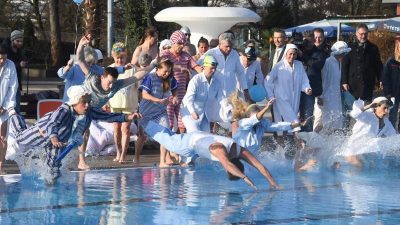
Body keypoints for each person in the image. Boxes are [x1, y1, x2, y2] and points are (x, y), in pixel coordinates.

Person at [8, 86, 140, 182]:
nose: (87, 105)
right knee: (20, 136)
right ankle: (12, 112)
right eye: (84, 102)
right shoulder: (63, 110)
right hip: (42, 132)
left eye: (88, 102)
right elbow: (52, 124)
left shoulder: (87, 111)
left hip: (56, 142)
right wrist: (53, 137)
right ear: (75, 102)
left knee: (53, 170)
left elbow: (106, 116)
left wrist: (127, 117)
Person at [75, 35, 153, 170]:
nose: (111, 86)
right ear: (102, 76)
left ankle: (83, 160)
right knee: (83, 131)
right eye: (109, 82)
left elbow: (136, 77)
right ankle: (80, 160)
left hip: (95, 110)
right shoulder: (92, 76)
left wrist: (153, 65)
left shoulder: (116, 84)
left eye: (113, 83)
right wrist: (81, 45)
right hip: (81, 106)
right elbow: (80, 60)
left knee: (93, 130)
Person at [145, 121, 280, 190]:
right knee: (169, 142)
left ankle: (176, 152)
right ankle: (145, 124)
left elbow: (258, 165)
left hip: (201, 141)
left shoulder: (240, 150)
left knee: (182, 149)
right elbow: (227, 164)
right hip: (189, 143)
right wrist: (245, 178)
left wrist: (273, 183)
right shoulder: (220, 150)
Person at [134, 59, 179, 167]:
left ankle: (162, 161)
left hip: (160, 112)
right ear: (157, 69)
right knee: (142, 137)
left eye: (169, 71)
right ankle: (136, 157)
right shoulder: (150, 77)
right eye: (165, 71)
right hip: (146, 112)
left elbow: (175, 90)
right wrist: (158, 100)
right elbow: (144, 95)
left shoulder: (170, 79)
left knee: (166, 132)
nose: (167, 74)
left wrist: (175, 98)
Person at [160, 30, 202, 133]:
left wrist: (208, 72)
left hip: (182, 95)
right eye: (179, 43)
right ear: (172, 43)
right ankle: (168, 147)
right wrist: (179, 67)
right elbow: (163, 65)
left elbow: (197, 67)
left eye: (183, 44)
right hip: (168, 94)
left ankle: (179, 146)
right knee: (169, 123)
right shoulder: (165, 53)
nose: (181, 46)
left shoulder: (186, 55)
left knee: (183, 123)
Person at [265, 44, 312, 133]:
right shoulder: (279, 66)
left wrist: (307, 88)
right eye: (290, 54)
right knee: (291, 120)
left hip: (294, 97)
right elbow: (267, 81)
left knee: (289, 120)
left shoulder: (299, 65)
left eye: (294, 54)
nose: (292, 56)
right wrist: (270, 95)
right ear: (286, 54)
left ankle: (289, 142)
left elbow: (304, 79)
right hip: (280, 97)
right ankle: (299, 139)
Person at [108, 42, 141, 163]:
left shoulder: (132, 69)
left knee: (125, 129)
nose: (120, 60)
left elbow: (139, 86)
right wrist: (106, 103)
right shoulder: (110, 69)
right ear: (113, 56)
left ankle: (123, 155)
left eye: (122, 57)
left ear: (126, 56)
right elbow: (106, 87)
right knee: (116, 130)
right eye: (118, 58)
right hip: (115, 104)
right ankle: (118, 151)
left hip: (130, 104)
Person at [339, 97, 396, 168]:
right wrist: (369, 106)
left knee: (374, 167)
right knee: (359, 166)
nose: (387, 111)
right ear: (376, 107)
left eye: (388, 109)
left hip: (365, 151)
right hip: (352, 149)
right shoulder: (367, 115)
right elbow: (354, 114)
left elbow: (394, 137)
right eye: (384, 108)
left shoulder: (386, 122)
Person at [313, 41, 350, 133]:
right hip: (325, 96)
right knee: (321, 121)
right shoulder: (327, 62)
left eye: (344, 53)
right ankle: (315, 141)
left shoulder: (339, 63)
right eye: (342, 52)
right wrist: (319, 96)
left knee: (335, 121)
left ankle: (330, 143)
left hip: (335, 96)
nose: (343, 54)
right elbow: (322, 80)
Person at [341, 23, 383, 102]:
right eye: (361, 34)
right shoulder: (349, 47)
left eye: (365, 34)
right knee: (352, 111)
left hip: (367, 83)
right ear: (356, 34)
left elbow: (378, 65)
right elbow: (344, 66)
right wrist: (344, 82)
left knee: (366, 110)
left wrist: (381, 79)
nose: (363, 36)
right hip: (352, 85)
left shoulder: (373, 48)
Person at [299, 28, 330, 132]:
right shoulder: (298, 50)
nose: (306, 43)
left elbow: (317, 65)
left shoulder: (319, 53)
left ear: (313, 40)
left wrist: (303, 55)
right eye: (305, 40)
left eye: (309, 41)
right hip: (296, 87)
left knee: (307, 115)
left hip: (310, 89)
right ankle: (297, 138)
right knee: (295, 115)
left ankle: (306, 138)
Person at [180, 55, 222, 132]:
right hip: (189, 113)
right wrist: (193, 112)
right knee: (195, 135)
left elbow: (221, 99)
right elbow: (188, 100)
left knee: (206, 138)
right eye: (211, 68)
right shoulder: (196, 80)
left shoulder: (217, 82)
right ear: (204, 67)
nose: (213, 70)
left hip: (204, 115)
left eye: (214, 68)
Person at [0, 46, 18, 174]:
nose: (2, 61)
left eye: (4, 58)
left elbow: (13, 87)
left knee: (2, 138)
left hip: (3, 109)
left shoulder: (10, 65)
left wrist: (6, 107)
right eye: (0, 58)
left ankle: (0, 166)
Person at [1, 30, 27, 114]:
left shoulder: (20, 50)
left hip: (16, 83)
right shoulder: (4, 49)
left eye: (21, 41)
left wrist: (23, 63)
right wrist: (19, 64)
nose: (20, 43)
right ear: (12, 40)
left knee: (16, 109)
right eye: (18, 41)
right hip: (5, 83)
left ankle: (15, 125)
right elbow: (6, 65)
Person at [382, 36, 400, 130]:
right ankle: (391, 136)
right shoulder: (391, 61)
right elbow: (385, 79)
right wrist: (388, 93)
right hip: (394, 94)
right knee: (392, 117)